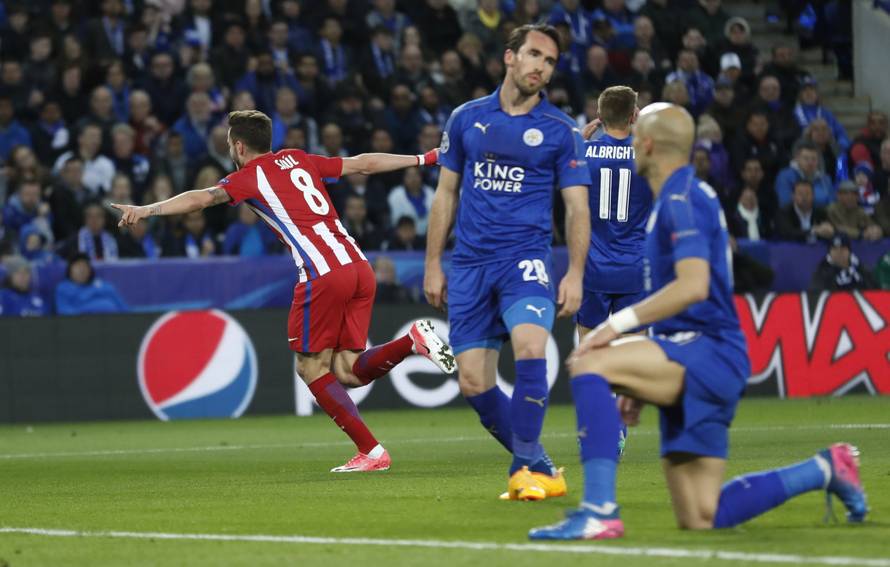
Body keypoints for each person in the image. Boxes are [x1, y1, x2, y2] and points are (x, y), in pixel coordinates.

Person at [529, 102, 867, 541]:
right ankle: (826, 467)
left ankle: (598, 510)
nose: (630, 144)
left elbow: (693, 286)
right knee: (702, 514)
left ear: (648, 144)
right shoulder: (678, 197)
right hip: (703, 358)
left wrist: (617, 327)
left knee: (590, 361)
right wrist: (643, 382)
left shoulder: (680, 199)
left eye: (635, 138)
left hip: (705, 351)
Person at [112, 109, 455, 473]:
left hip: (323, 273)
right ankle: (412, 340)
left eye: (230, 143)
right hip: (358, 266)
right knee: (349, 370)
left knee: (310, 367)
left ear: (239, 145)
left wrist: (146, 209)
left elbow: (200, 199)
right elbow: (363, 164)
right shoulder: (299, 159)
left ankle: (371, 452)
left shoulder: (248, 177)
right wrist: (425, 157)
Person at [424, 24, 591, 501]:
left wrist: (576, 273)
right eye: (534, 55)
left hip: (525, 261)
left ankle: (522, 472)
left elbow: (577, 208)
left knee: (532, 350)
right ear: (510, 57)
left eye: (550, 60)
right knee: (474, 381)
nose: (541, 66)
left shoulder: (561, 131)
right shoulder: (466, 118)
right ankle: (541, 466)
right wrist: (433, 263)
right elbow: (446, 194)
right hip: (470, 265)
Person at [577, 86, 653, 458]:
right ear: (635, 115)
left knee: (589, 350)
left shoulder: (582, 153)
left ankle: (595, 423)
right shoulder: (648, 156)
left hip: (592, 266)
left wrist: (577, 141)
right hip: (635, 269)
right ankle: (619, 426)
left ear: (599, 114)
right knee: (630, 354)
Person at [55, 253, 129, 315]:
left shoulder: (104, 285)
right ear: (69, 270)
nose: (82, 270)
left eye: (85, 266)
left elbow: (124, 309)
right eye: (78, 267)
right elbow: (65, 313)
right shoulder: (63, 288)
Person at [810, 234, 878, 291]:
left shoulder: (861, 268)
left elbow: (875, 290)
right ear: (829, 252)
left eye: (843, 248)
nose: (839, 252)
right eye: (834, 249)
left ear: (849, 251)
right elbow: (817, 296)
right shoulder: (822, 271)